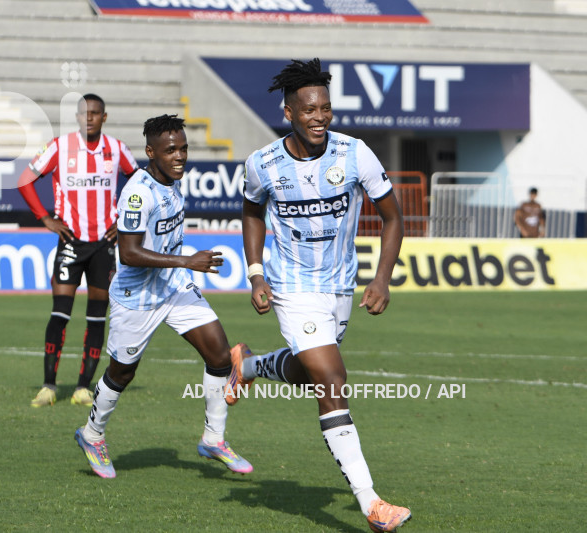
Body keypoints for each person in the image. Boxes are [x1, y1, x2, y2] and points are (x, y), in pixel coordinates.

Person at [229, 59, 410, 532]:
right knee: (331, 378)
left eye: (326, 108)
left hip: (340, 286)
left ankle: (247, 365)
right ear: (289, 112)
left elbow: (394, 217)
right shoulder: (263, 164)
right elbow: (251, 213)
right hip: (291, 287)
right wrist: (255, 274)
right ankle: (372, 504)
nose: (320, 117)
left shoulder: (355, 154)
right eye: (309, 109)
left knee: (309, 370)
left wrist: (382, 277)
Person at [73, 114, 252, 479]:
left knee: (219, 354)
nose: (180, 156)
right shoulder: (138, 192)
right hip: (136, 296)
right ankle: (92, 434)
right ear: (150, 152)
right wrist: (187, 259)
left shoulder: (172, 182)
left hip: (173, 285)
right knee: (122, 373)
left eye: (184, 148)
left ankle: (213, 438)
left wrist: (181, 267)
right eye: (171, 150)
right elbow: (130, 253)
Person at [18, 93, 139, 408]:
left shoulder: (117, 149)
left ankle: (83, 387)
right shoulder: (59, 147)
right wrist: (45, 218)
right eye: (84, 113)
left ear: (104, 117)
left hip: (104, 243)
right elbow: (25, 180)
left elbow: (140, 183)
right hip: (70, 241)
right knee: (60, 314)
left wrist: (125, 222)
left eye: (96, 113)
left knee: (97, 318)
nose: (89, 118)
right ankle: (48, 386)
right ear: (76, 116)